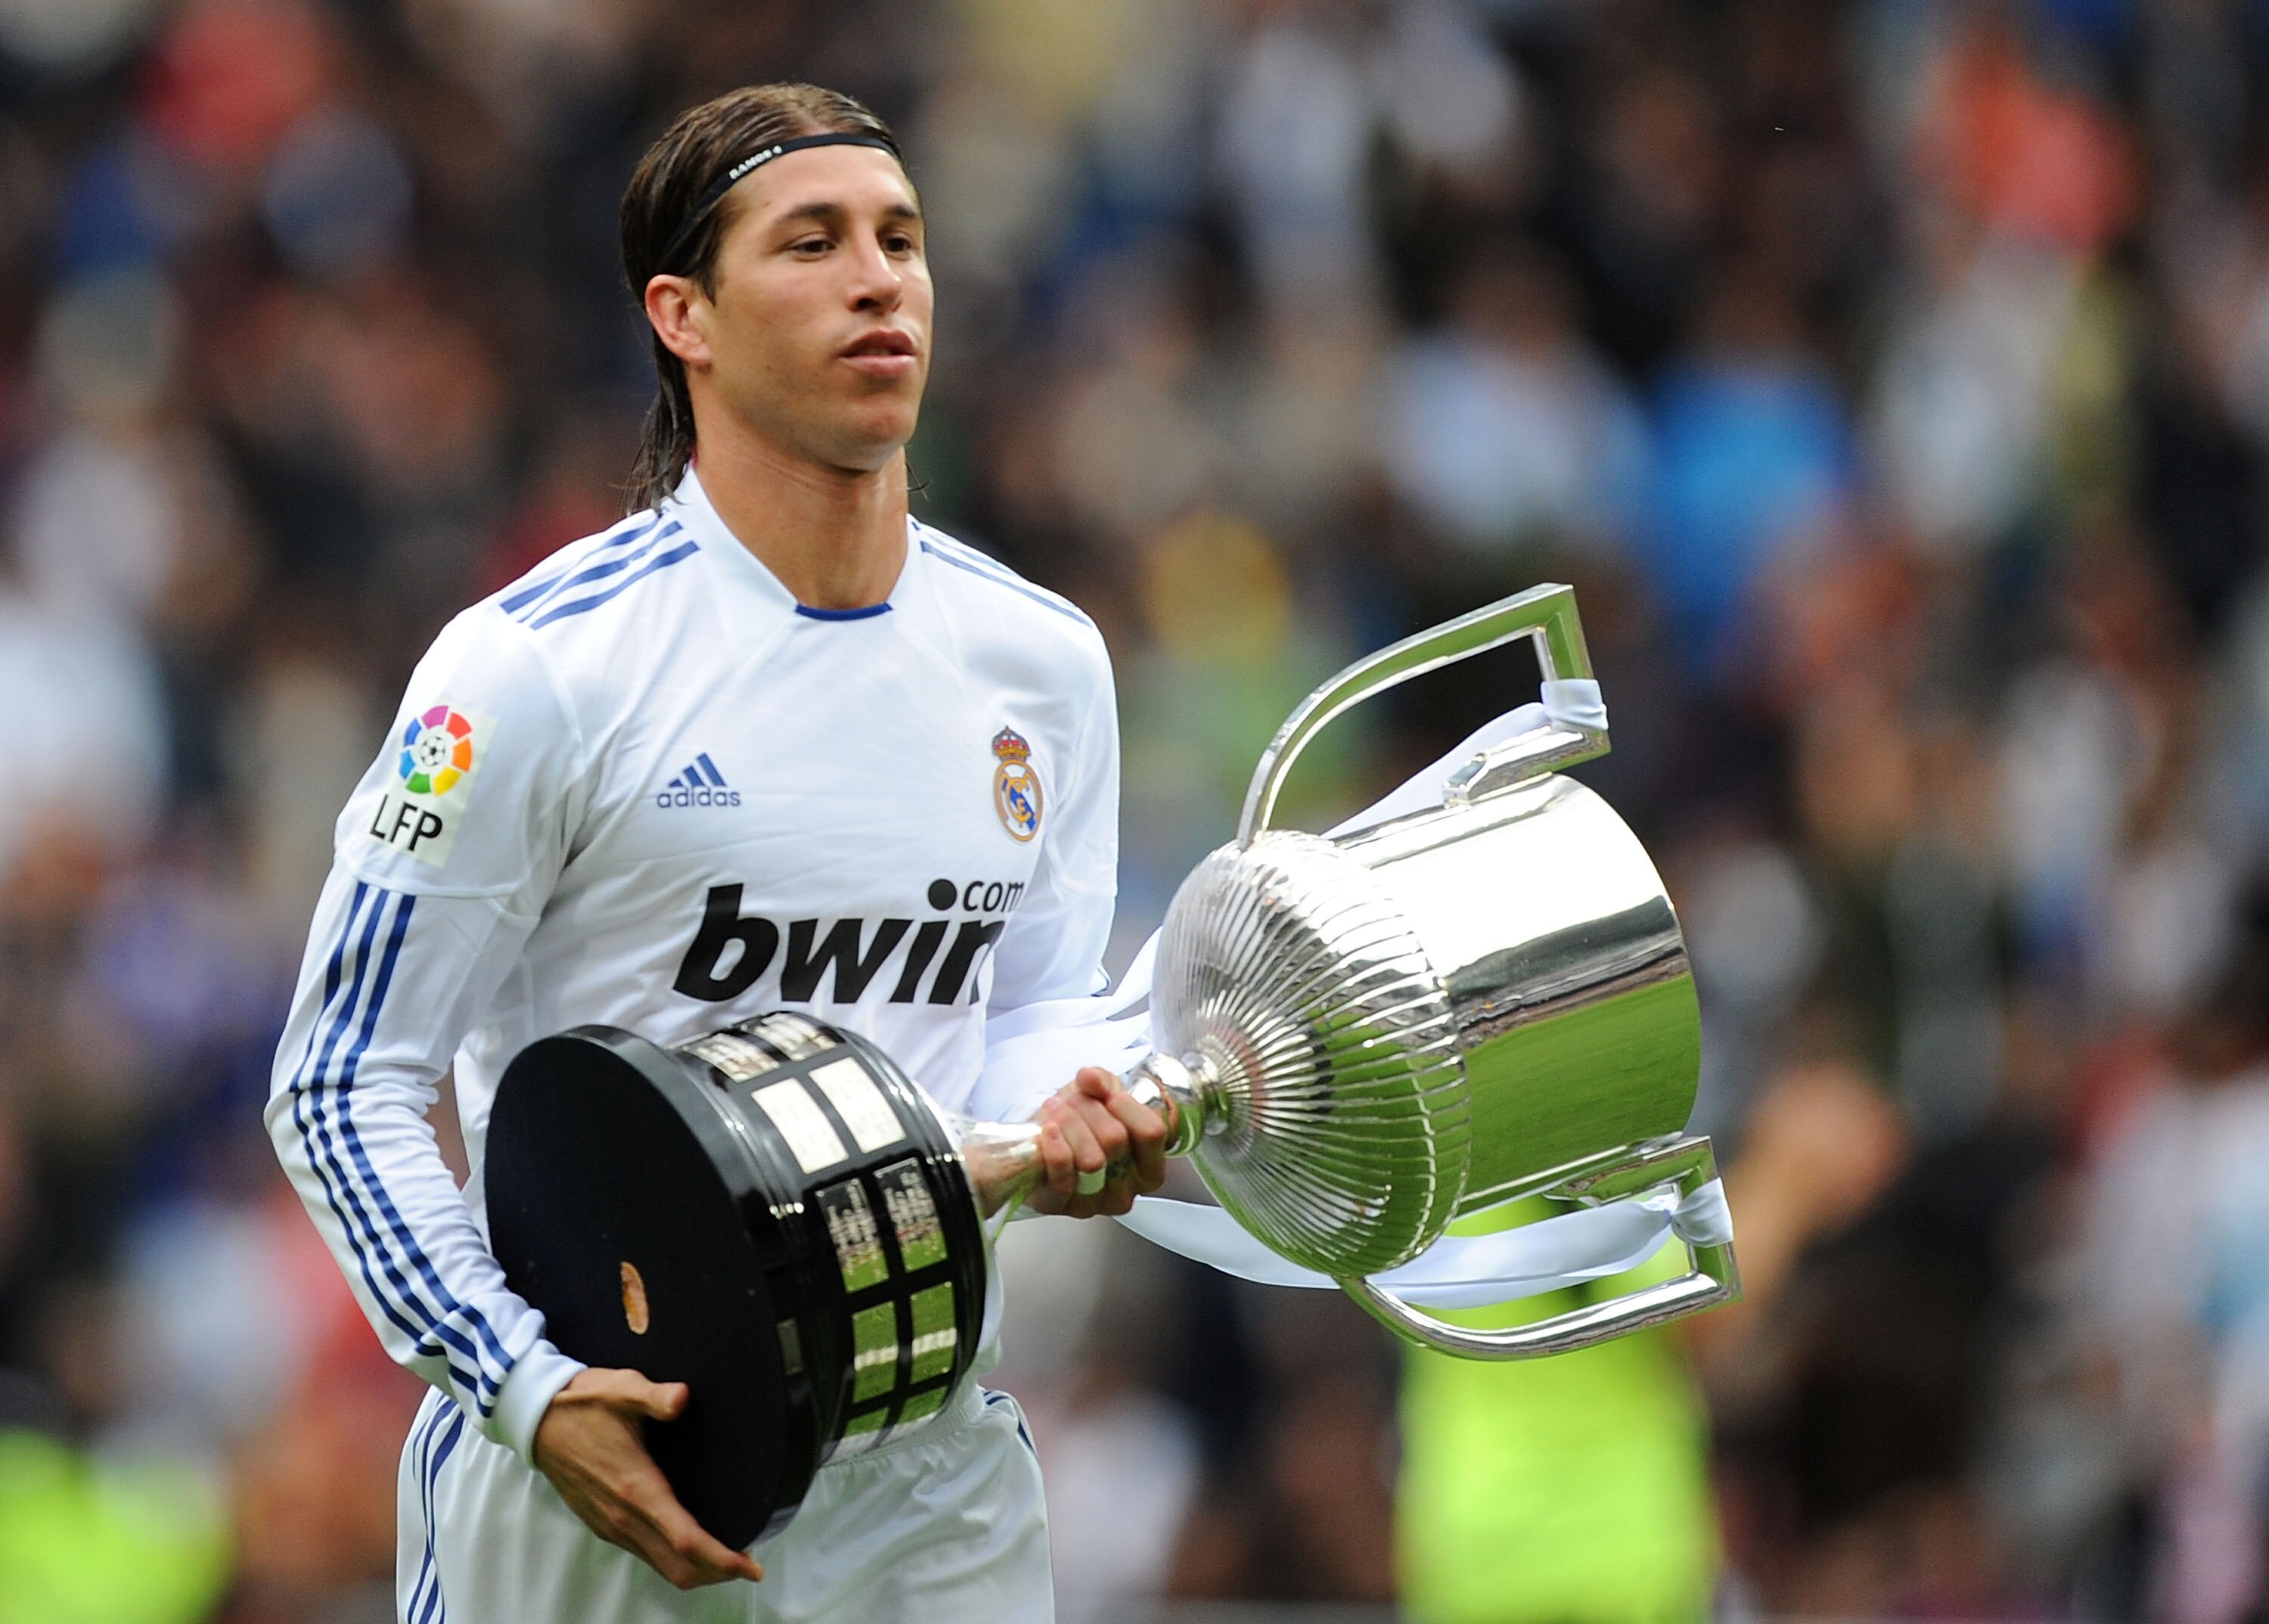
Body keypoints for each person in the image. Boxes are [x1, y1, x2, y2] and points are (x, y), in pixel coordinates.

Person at [264, 82, 1168, 1624]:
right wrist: (529, 1390)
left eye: (902, 239)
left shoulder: (1043, 663)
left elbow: (1024, 1017)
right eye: (810, 243)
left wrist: (1080, 1108)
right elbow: (338, 1082)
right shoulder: (538, 669)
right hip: (608, 1470)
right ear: (681, 313)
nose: (878, 279)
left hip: (926, 1477)